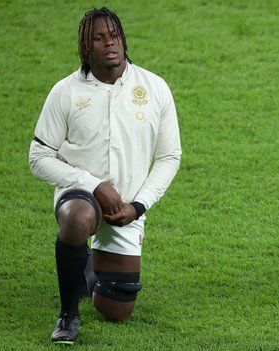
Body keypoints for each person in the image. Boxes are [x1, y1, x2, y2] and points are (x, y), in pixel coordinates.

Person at [28, 7, 181, 344]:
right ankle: (68, 315)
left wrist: (137, 206)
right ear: (86, 47)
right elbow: (38, 157)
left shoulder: (154, 88)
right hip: (81, 196)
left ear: (123, 40)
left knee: (117, 310)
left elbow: (169, 156)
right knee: (77, 217)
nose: (109, 43)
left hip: (126, 209)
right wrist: (94, 185)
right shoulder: (66, 92)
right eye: (99, 38)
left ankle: (86, 270)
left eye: (114, 36)